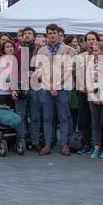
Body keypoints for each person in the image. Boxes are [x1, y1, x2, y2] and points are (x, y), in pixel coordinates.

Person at [36, 23, 76, 156]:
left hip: (63, 88)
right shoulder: (41, 51)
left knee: (63, 117)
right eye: (49, 33)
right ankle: (47, 144)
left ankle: (64, 144)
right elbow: (39, 71)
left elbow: (69, 70)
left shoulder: (69, 50)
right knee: (47, 117)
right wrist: (49, 86)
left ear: (58, 35)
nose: (52, 36)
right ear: (47, 35)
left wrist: (57, 85)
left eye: (54, 33)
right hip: (46, 88)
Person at [13, 27, 42, 151]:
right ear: (22, 36)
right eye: (25, 34)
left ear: (34, 37)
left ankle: (35, 141)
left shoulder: (40, 52)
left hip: (35, 86)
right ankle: (21, 140)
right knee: (20, 116)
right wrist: (13, 88)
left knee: (35, 116)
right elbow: (13, 72)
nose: (27, 35)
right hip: (21, 86)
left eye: (30, 33)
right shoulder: (17, 53)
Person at [75, 32, 100, 154]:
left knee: (97, 121)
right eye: (89, 39)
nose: (91, 42)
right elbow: (78, 75)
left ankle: (97, 144)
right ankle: (86, 144)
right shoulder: (80, 57)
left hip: (98, 92)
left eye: (93, 39)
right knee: (84, 120)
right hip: (84, 92)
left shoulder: (102, 56)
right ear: (84, 42)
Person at [87, 42, 103, 159]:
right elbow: (89, 80)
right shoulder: (90, 63)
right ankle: (96, 147)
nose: (94, 53)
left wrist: (101, 97)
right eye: (93, 51)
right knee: (95, 123)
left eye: (96, 51)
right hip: (93, 96)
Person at [0, 40, 17, 109]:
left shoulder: (17, 61)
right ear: (3, 50)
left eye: (11, 46)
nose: (10, 48)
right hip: (1, 93)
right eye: (7, 47)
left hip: (14, 93)